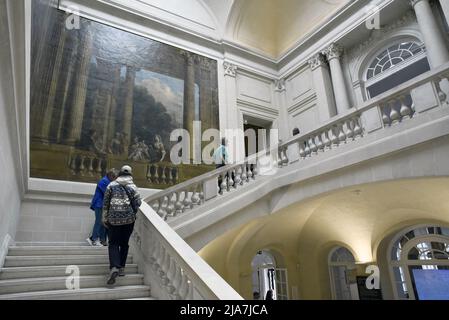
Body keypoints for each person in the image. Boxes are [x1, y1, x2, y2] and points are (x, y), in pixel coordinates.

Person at [102, 165, 142, 285]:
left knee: (113, 243)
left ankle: (114, 266)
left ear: (119, 173)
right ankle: (122, 268)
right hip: (129, 220)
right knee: (124, 244)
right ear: (130, 174)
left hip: (113, 219)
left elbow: (106, 202)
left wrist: (104, 217)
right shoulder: (133, 187)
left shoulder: (112, 185)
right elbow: (138, 202)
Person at [87, 169, 117, 247]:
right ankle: (93, 239)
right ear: (110, 175)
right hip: (99, 204)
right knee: (99, 222)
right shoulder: (103, 181)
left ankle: (101, 240)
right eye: (114, 177)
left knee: (103, 223)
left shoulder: (108, 182)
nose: (115, 179)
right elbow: (108, 193)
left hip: (103, 205)